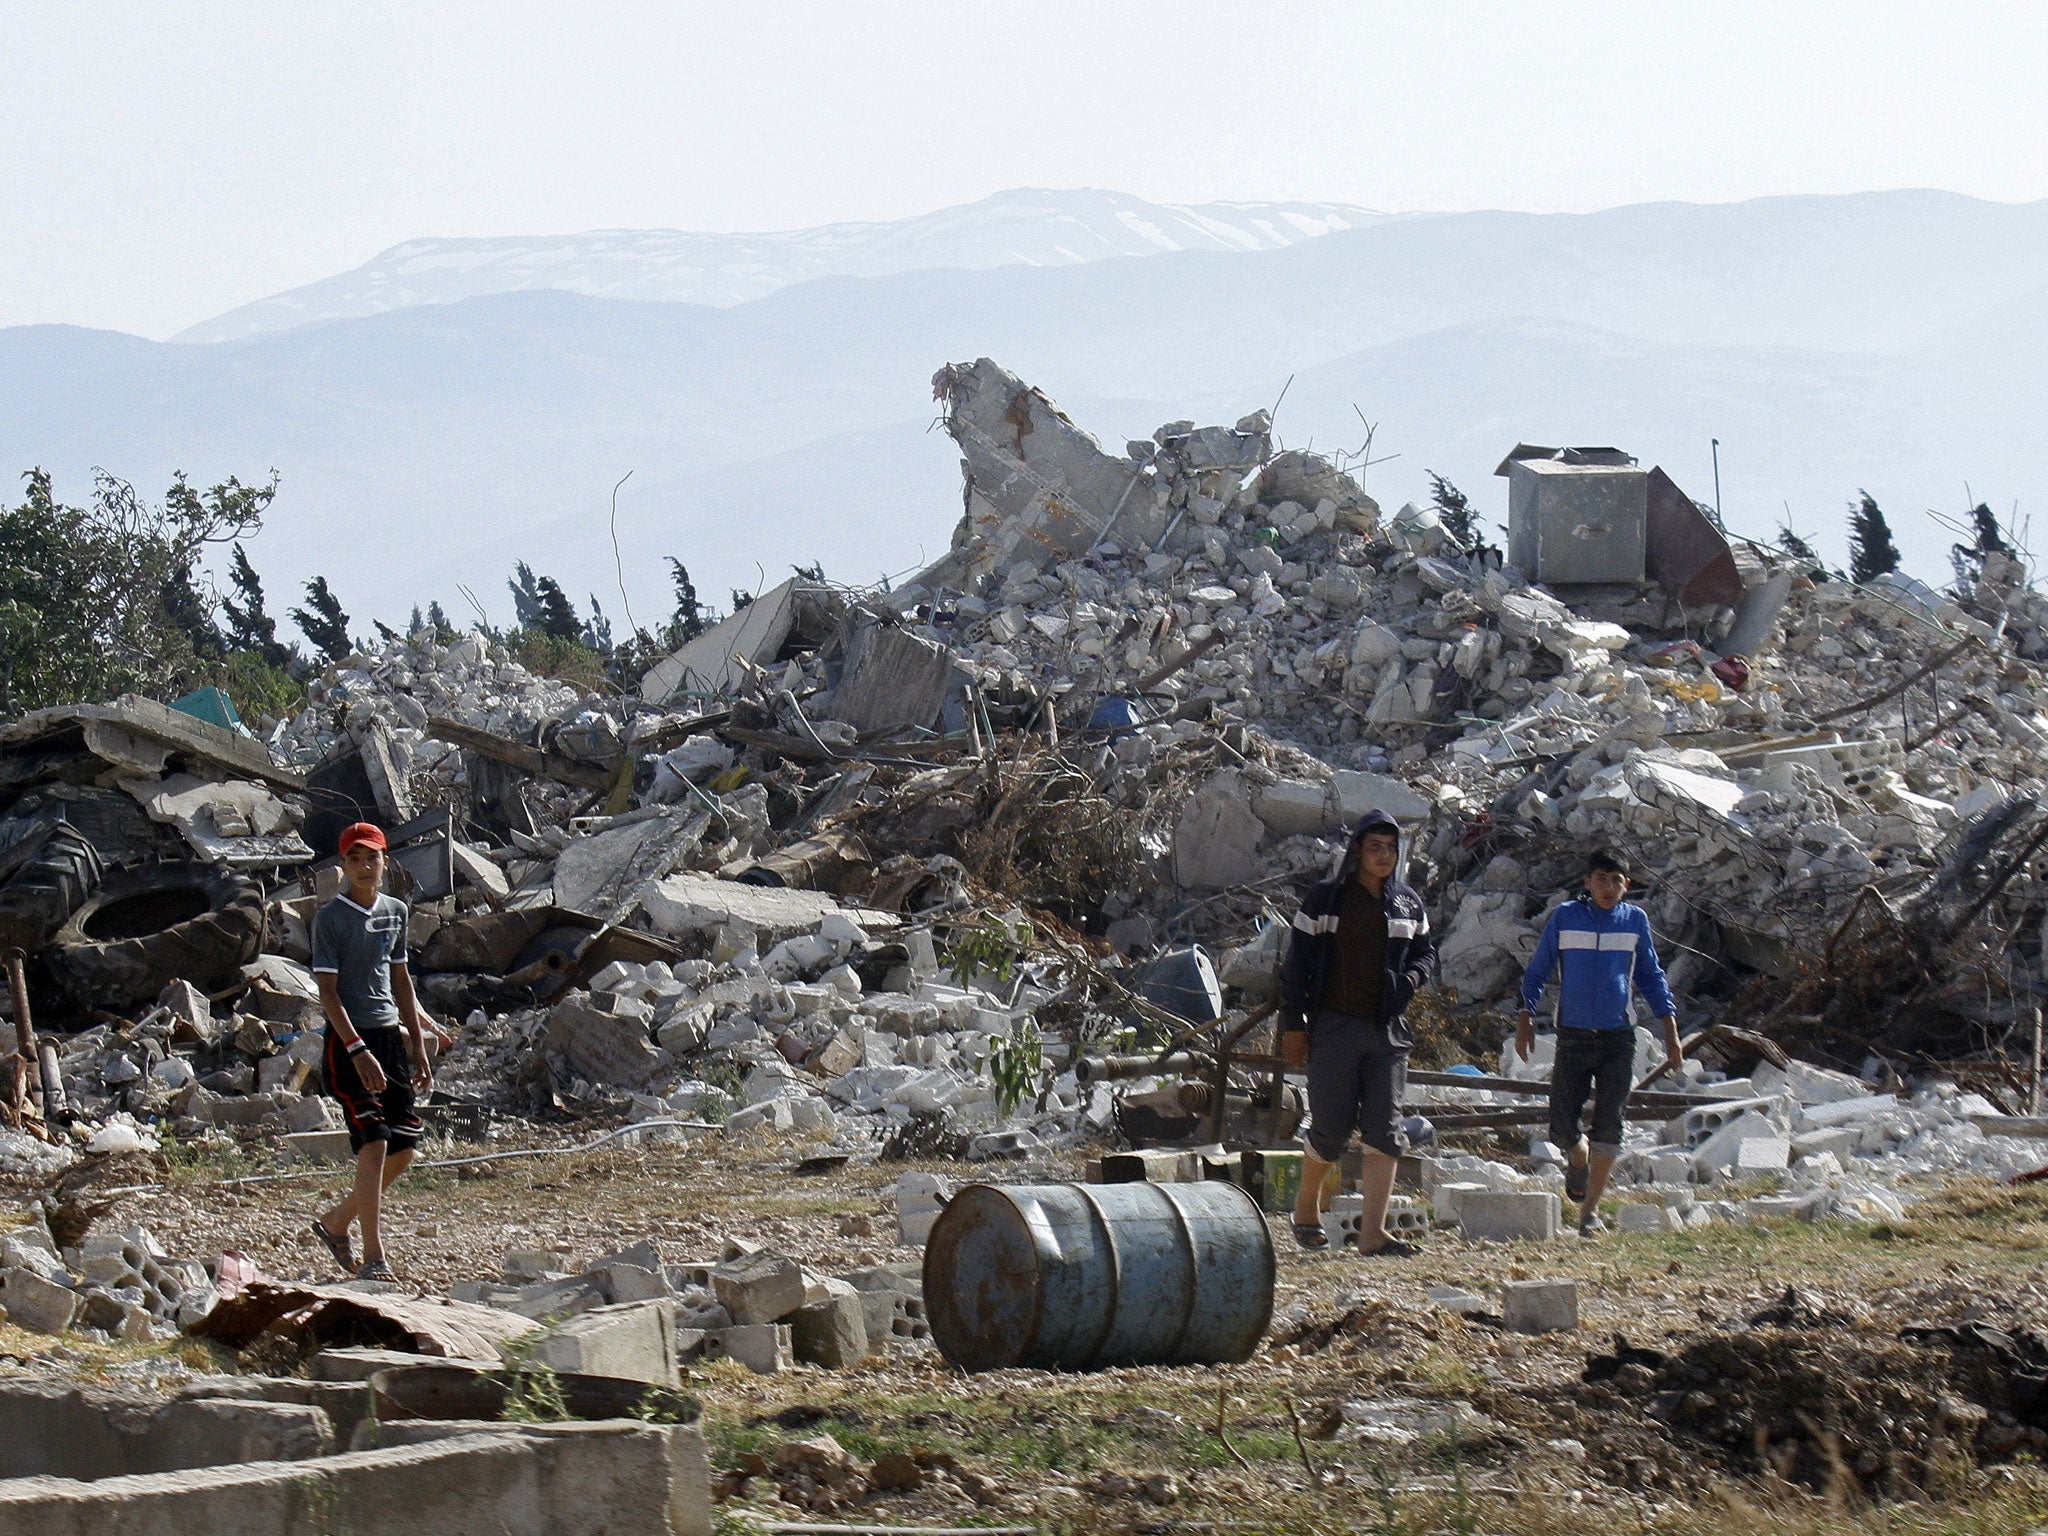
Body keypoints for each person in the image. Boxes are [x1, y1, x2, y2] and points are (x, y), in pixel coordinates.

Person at [1277, 810, 1437, 1255]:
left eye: (1391, 847)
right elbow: (1296, 967)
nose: (1384, 856)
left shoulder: (1408, 903)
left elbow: (1426, 954)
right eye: (1375, 847)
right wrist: (1295, 1026)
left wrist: (1411, 981)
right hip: (1334, 1026)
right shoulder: (1325, 901)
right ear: (1357, 852)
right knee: (1330, 1130)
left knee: (1385, 1131)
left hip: (1387, 1031)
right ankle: (1305, 1208)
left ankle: (1373, 1234)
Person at [1515, 849, 1682, 1237]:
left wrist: (1670, 1030)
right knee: (1561, 1125)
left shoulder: (1634, 921)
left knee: (1610, 1124)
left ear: (1627, 886)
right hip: (1573, 1036)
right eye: (1602, 879)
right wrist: (1525, 1016)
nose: (1609, 887)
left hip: (1617, 1038)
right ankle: (1578, 1153)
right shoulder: (1565, 917)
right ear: (1587, 882)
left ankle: (1589, 1212)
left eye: (1617, 881)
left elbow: (1651, 976)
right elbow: (1538, 969)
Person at [308, 822, 438, 1282]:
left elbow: (401, 979)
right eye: (355, 859)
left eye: (373, 858)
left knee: (405, 1149)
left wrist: (417, 1041)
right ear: (343, 866)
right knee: (375, 1138)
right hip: (350, 1042)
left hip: (388, 1036)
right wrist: (357, 1049)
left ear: (385, 863)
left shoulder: (396, 911)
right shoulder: (330, 918)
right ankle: (375, 1255)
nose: (365, 867)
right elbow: (328, 992)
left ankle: (337, 1220)